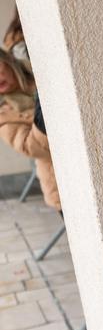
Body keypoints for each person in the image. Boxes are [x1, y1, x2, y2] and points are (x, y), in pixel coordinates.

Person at [0, 51, 58, 211]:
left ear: (7, 60)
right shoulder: (4, 114)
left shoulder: (39, 70)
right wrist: (41, 119)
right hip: (62, 184)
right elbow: (30, 146)